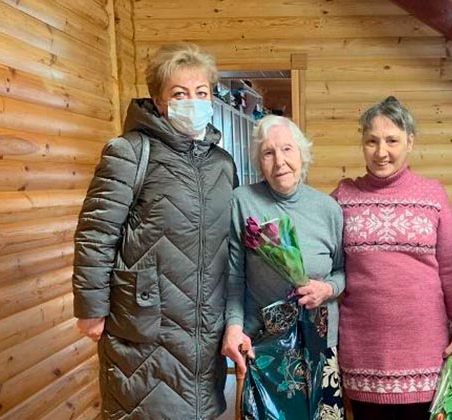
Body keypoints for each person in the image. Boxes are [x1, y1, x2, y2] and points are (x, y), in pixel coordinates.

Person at [72, 43, 237, 419]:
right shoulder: (129, 152)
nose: (192, 101)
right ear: (159, 101)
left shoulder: (222, 164)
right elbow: (96, 232)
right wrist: (91, 309)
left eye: (201, 93)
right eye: (179, 93)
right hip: (146, 322)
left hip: (205, 325)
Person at [331, 97, 452, 420]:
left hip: (425, 352)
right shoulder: (342, 198)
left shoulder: (433, 196)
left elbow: (451, 272)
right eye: (372, 141)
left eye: (392, 140)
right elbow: (327, 266)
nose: (381, 152)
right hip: (363, 353)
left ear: (410, 142)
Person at [221, 115, 346, 418]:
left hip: (320, 344)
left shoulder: (328, 209)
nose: (280, 161)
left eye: (287, 149)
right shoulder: (242, 201)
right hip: (263, 344)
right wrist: (233, 327)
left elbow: (344, 272)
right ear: (259, 161)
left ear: (302, 154)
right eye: (268, 152)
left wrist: (327, 288)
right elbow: (234, 277)